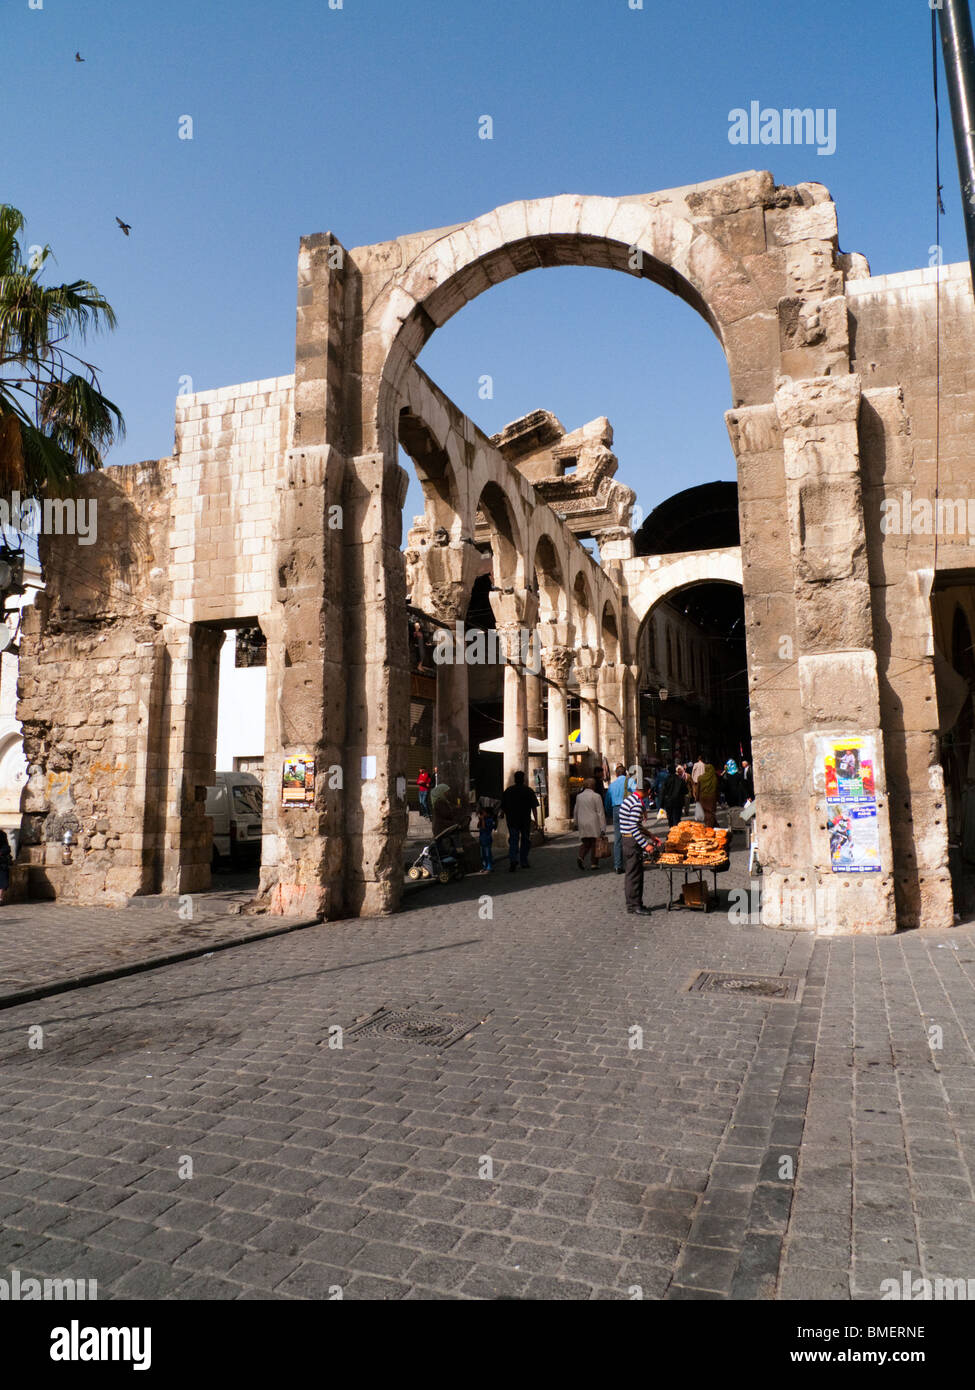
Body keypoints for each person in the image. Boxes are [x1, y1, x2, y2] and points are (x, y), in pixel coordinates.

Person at [618, 784, 661, 915]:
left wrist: (650, 835)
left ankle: (634, 903)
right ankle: (634, 905)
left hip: (627, 839)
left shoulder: (629, 800)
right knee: (634, 875)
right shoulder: (637, 804)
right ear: (648, 791)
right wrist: (645, 845)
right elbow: (633, 827)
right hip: (631, 841)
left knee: (633, 873)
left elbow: (636, 825)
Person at [500, 770, 539, 872]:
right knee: (525, 840)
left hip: (512, 820)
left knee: (513, 840)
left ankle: (513, 860)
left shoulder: (508, 791)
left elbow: (502, 807)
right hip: (525, 820)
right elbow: (534, 808)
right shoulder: (529, 791)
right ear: (523, 779)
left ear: (514, 779)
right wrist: (536, 821)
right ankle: (524, 861)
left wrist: (502, 814)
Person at [604, 763, 635, 875]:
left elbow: (607, 800)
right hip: (628, 809)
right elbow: (637, 794)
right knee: (631, 834)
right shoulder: (630, 782)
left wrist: (609, 812)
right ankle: (632, 862)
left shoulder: (612, 785)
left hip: (616, 810)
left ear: (616, 775)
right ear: (625, 773)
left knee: (617, 838)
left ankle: (618, 865)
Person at [574, 777, 606, 871]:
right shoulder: (596, 796)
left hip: (582, 822)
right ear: (593, 786)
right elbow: (600, 812)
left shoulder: (579, 797)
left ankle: (580, 856)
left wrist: (576, 822)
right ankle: (594, 863)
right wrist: (603, 827)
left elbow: (576, 810)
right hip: (593, 822)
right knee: (595, 843)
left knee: (586, 842)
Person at [661, 764, 688, 828]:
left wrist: (661, 805)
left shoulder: (666, 780)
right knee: (677, 818)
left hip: (669, 802)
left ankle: (672, 831)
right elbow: (686, 791)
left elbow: (663, 792)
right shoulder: (680, 779)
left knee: (670, 819)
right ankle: (676, 831)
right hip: (678, 802)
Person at [696, 758, 719, 828]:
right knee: (711, 811)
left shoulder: (700, 778)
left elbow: (698, 789)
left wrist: (697, 798)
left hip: (703, 797)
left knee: (706, 811)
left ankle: (711, 824)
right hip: (712, 796)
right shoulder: (714, 778)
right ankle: (710, 826)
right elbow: (717, 788)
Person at [477, 803, 497, 873]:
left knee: (487, 853)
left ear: (488, 814)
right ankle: (485, 866)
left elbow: (484, 828)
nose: (482, 814)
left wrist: (482, 820)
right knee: (483, 854)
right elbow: (478, 826)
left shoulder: (490, 820)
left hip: (487, 838)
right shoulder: (484, 819)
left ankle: (489, 866)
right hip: (482, 838)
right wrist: (480, 820)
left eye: (484, 812)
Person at [0, 830, 11, 905]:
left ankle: (0, 898)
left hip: (1, 861)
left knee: (3, 877)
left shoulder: (2, 834)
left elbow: (7, 848)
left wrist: (0, 852)